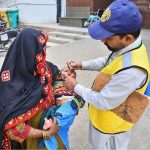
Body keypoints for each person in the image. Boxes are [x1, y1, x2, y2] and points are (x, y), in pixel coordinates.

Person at [62, 0, 150, 149]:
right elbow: (108, 61)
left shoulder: (132, 71)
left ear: (127, 38)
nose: (102, 40)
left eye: (108, 38)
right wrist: (82, 64)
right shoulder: (127, 49)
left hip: (111, 130)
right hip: (103, 120)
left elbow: (103, 101)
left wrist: (75, 86)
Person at [0, 28, 83, 149]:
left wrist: (62, 87)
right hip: (31, 139)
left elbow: (57, 76)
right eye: (40, 50)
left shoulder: (42, 67)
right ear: (29, 53)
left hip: (53, 126)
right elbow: (12, 129)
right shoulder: (11, 86)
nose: (43, 53)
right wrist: (46, 134)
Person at [38, 67, 84, 150]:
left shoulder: (73, 86)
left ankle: (52, 124)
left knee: (64, 115)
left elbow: (80, 94)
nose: (68, 75)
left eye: (72, 75)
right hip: (58, 107)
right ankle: (50, 125)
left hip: (70, 105)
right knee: (59, 128)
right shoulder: (57, 81)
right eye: (66, 72)